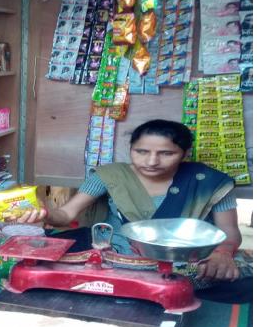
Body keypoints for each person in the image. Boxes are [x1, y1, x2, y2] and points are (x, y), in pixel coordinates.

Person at [19, 120, 245, 284]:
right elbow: (66, 215)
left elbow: (230, 232)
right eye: (141, 151)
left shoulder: (209, 182)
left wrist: (222, 254)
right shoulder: (111, 176)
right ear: (131, 150)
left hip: (187, 268)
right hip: (113, 260)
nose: (152, 161)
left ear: (185, 154)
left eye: (166, 153)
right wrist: (44, 214)